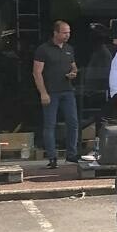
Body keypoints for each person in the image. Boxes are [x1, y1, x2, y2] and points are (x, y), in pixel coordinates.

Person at [32, 20, 81, 168]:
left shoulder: (69, 49)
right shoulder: (43, 49)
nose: (67, 35)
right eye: (64, 32)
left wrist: (73, 73)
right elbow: (37, 72)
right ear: (56, 33)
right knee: (50, 125)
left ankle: (71, 154)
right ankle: (52, 157)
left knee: (73, 123)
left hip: (67, 90)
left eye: (69, 32)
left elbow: (74, 67)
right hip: (51, 92)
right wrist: (43, 93)